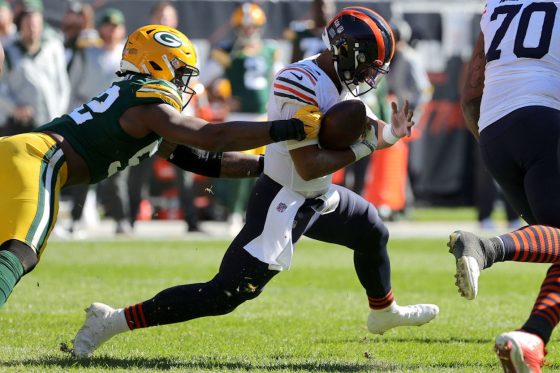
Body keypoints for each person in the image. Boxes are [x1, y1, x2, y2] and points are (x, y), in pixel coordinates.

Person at [71, 7, 439, 358]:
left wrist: (391, 133)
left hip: (316, 195)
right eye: (367, 65)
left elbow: (367, 126)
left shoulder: (340, 78)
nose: (369, 76)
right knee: (222, 295)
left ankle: (383, 311)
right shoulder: (300, 81)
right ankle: (112, 320)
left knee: (371, 228)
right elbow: (309, 166)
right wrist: (371, 145)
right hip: (284, 200)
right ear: (346, 52)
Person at [0, 24, 320, 309]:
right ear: (157, 64)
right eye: (181, 72)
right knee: (21, 251)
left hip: (22, 154)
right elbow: (213, 135)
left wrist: (268, 165)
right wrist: (286, 128)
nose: (184, 83)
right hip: (40, 158)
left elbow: (201, 159)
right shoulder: (148, 101)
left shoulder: (136, 108)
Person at [449, 0, 560, 371]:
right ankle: (487, 247)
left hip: (494, 131)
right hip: (546, 120)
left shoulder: (496, 4)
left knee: (557, 239)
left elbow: (470, 93)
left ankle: (531, 340)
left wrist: (494, 147)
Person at [203, 2, 281, 235]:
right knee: (239, 171)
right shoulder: (227, 51)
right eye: (244, 26)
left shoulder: (269, 50)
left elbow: (281, 81)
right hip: (237, 117)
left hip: (264, 117)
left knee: (268, 171)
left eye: (252, 26)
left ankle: (261, 215)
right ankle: (235, 214)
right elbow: (203, 79)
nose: (248, 30)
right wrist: (219, 100)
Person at [0, 0, 70, 135]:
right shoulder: (8, 51)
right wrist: (15, 107)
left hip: (50, 122)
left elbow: (63, 85)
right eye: (28, 24)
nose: (32, 28)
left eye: (36, 24)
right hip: (19, 125)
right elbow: (1, 88)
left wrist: (58, 113)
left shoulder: (53, 47)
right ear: (20, 24)